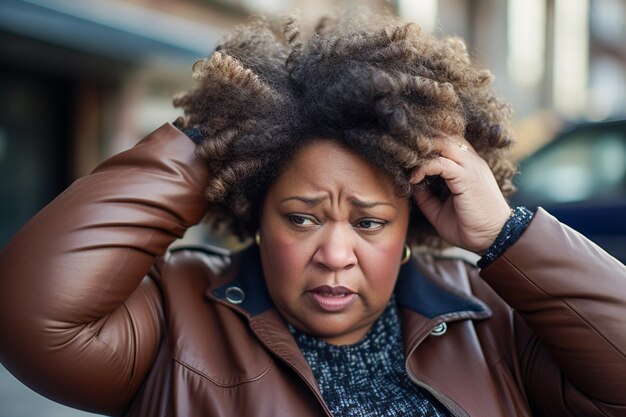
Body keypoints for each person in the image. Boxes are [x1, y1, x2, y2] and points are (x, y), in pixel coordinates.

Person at [1, 10, 625, 417]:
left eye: (370, 221)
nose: (334, 253)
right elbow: (31, 316)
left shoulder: (492, 320)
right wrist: (216, 139)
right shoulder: (176, 314)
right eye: (301, 217)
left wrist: (506, 234)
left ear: (415, 220)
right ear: (254, 211)